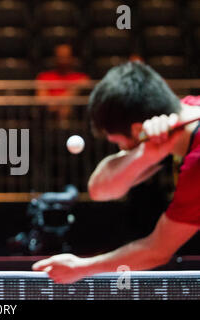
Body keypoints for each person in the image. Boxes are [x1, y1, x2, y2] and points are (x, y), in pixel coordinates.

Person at [33, 61, 200, 284]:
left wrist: (81, 267)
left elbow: (157, 250)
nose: (121, 150)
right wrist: (145, 155)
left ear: (137, 130)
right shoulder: (186, 109)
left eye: (119, 143)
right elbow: (99, 189)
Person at [35, 44, 89, 127]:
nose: (63, 60)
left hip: (74, 121)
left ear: (72, 58)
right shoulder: (43, 76)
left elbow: (85, 86)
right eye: (60, 56)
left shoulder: (82, 78)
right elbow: (42, 100)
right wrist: (64, 101)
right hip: (49, 119)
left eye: (66, 57)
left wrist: (56, 102)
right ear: (54, 57)